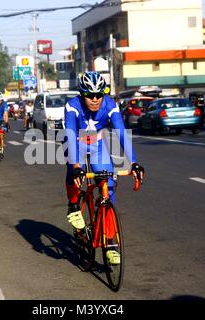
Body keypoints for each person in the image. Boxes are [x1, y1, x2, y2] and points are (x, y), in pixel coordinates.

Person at [64, 71, 145, 263]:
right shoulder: (72, 106)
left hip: (98, 145)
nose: (94, 99)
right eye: (90, 95)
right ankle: (73, 205)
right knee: (75, 173)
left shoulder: (110, 105)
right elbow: (69, 133)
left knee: (107, 186)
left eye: (99, 94)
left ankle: (110, 242)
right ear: (82, 94)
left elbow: (122, 133)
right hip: (76, 141)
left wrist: (133, 162)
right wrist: (76, 165)